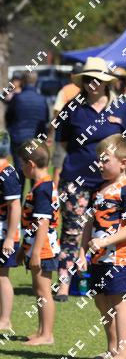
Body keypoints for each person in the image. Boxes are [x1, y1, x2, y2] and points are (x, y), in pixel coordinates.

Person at [54, 57, 126, 302]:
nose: (93, 83)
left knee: (107, 231)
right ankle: (64, 283)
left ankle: (105, 281)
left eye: (97, 79)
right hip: (76, 179)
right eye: (88, 78)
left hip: (111, 183)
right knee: (72, 231)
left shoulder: (121, 109)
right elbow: (63, 144)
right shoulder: (72, 108)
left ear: (106, 82)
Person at [78, 135, 126, 359]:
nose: (100, 164)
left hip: (118, 258)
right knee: (101, 300)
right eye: (99, 160)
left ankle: (124, 355)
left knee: (118, 302)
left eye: (105, 160)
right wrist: (81, 252)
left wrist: (105, 241)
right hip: (97, 258)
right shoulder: (98, 189)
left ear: (123, 163)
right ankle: (112, 349)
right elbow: (89, 223)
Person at [17, 142, 59, 346]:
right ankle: (42, 330)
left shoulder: (43, 188)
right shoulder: (41, 185)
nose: (21, 168)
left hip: (43, 249)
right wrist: (24, 248)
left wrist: (35, 252)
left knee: (44, 291)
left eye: (21, 164)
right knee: (38, 289)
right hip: (36, 246)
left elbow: (43, 223)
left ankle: (47, 335)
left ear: (31, 164)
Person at [5, 71, 49, 190]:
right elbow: (45, 120)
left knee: (20, 171)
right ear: (36, 81)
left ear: (23, 81)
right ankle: (36, 198)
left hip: (18, 139)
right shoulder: (42, 99)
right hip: (35, 140)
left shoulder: (17, 98)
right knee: (36, 172)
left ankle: (18, 199)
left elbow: (9, 117)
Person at [0, 131, 22, 332]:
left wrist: (9, 238)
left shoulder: (6, 172)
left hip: (4, 233)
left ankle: (5, 320)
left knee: (2, 275)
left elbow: (15, 206)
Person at [49, 63, 82, 188]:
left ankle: (56, 192)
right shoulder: (87, 90)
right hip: (80, 132)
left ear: (72, 75)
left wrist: (50, 133)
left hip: (63, 133)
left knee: (59, 166)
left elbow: (57, 113)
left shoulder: (65, 90)